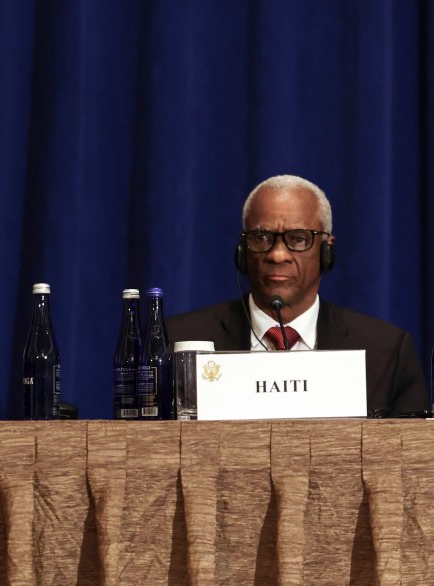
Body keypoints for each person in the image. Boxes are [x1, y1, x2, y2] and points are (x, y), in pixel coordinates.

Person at [166, 174, 427, 418]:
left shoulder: (386, 352)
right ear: (242, 252)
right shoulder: (177, 343)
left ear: (327, 251)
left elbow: (414, 457)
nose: (278, 255)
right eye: (261, 237)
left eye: (299, 238)